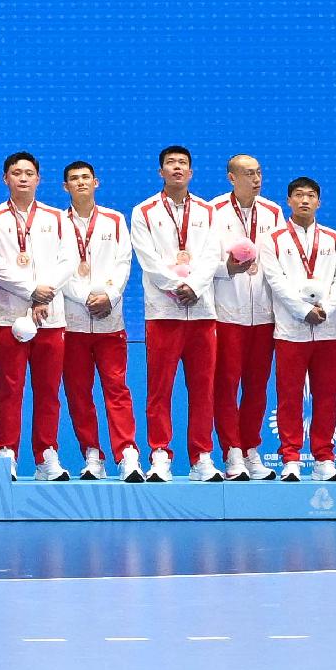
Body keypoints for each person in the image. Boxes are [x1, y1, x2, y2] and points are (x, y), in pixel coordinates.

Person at [126, 145, 217, 482]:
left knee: (202, 388)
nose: (177, 168)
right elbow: (146, 258)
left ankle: (202, 457)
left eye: (183, 164)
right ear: (160, 172)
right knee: (159, 389)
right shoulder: (144, 211)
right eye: (170, 163)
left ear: (191, 172)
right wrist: (175, 286)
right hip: (163, 311)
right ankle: (160, 453)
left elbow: (212, 255)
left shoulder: (209, 212)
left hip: (203, 310)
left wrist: (195, 285)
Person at [199, 155, 289, 478]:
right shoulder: (212, 211)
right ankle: (232, 451)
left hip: (264, 315)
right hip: (227, 312)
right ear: (231, 178)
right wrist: (227, 269)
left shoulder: (274, 212)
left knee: (257, 386)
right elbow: (206, 261)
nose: (256, 179)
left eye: (259, 173)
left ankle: (251, 448)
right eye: (248, 173)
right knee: (225, 385)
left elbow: (281, 261)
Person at [0, 153, 70, 478]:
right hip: (8, 316)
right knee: (9, 388)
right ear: (5, 179)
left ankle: (46, 454)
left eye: (29, 173)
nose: (22, 178)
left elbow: (67, 260)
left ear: (38, 179)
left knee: (48, 390)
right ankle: (7, 450)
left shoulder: (57, 218)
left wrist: (45, 290)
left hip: (50, 317)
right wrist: (33, 290)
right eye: (16, 173)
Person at [49, 161, 135, 479]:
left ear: (96, 182)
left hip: (110, 321)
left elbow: (123, 262)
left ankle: (127, 453)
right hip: (71, 321)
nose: (81, 182)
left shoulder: (114, 220)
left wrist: (109, 296)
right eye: (73, 179)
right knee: (78, 392)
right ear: (65, 187)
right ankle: (92, 455)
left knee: (116, 387)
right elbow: (54, 267)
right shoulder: (55, 222)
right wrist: (84, 296)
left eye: (86, 177)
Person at [266, 177, 336, 480]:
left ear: (319, 202)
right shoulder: (273, 239)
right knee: (288, 396)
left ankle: (324, 458)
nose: (304, 200)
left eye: (311, 195)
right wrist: (302, 310)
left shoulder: (335, 239)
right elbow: (276, 280)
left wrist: (325, 308)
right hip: (290, 331)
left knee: (327, 396)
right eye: (298, 195)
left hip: (328, 329)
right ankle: (291, 458)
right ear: (288, 200)